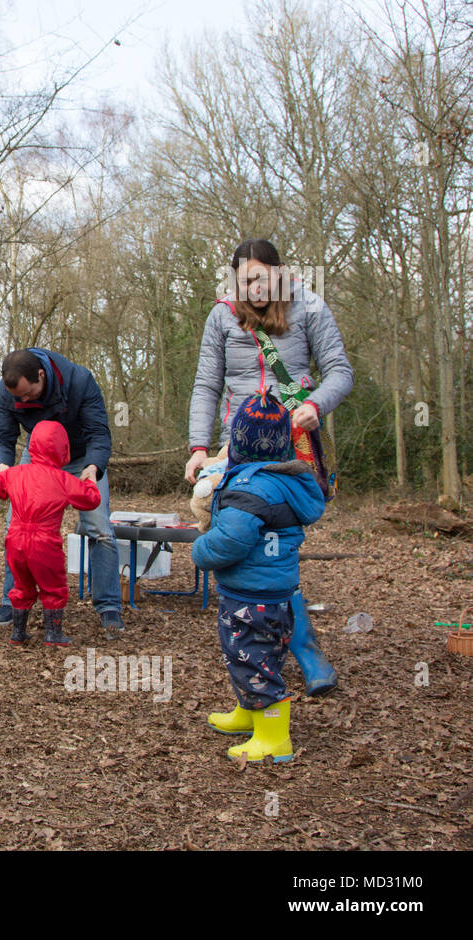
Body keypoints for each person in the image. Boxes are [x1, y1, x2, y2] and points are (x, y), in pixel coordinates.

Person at [185, 238, 353, 695]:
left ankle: (301, 646)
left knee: (279, 541)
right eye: (244, 280)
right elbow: (206, 384)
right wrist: (199, 446)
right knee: (242, 534)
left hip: (293, 443)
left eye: (260, 277)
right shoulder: (221, 314)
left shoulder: (310, 306)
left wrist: (316, 405)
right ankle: (260, 647)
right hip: (237, 445)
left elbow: (340, 370)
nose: (253, 288)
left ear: (280, 272)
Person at [191, 391, 325, 764]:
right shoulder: (284, 481)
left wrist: (201, 550)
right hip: (272, 591)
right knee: (252, 654)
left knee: (254, 658)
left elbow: (231, 540)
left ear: (239, 444)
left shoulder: (250, 489)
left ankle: (273, 735)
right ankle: (248, 709)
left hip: (253, 594)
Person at [0, 349, 123, 638]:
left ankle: (108, 605)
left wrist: (93, 467)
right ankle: (10, 603)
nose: (24, 401)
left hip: (80, 457)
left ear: (41, 375)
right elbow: (3, 435)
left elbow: (98, 432)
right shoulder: (7, 390)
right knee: (16, 527)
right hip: (36, 459)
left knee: (99, 529)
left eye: (28, 393)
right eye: (19, 397)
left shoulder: (79, 380)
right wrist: (2, 467)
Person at [0, 421, 102, 647]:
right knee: (53, 586)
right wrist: (89, 480)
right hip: (44, 542)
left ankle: (18, 633)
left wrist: (3, 472)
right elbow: (90, 500)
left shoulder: (17, 474)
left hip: (15, 540)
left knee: (21, 584)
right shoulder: (63, 480)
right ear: (63, 449)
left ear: (33, 445)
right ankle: (53, 634)